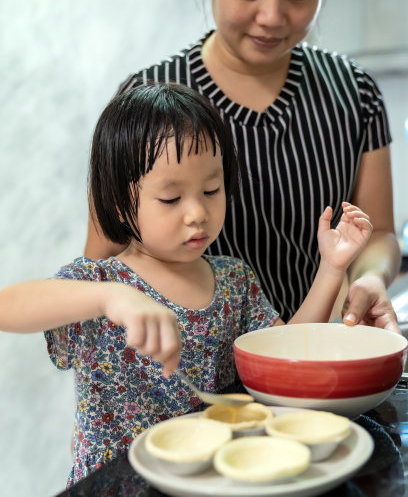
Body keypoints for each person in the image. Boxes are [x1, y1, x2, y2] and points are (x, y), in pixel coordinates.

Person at [0, 81, 372, 485]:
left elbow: (284, 356)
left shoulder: (233, 281)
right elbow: (9, 306)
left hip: (210, 480)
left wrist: (332, 268)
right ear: (119, 204)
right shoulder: (100, 281)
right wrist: (110, 297)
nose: (197, 213)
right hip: (116, 486)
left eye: (211, 190)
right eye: (171, 199)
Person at [84, 0, 401, 330]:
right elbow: (103, 257)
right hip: (188, 380)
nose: (272, 16)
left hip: (318, 356)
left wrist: (369, 277)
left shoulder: (354, 91)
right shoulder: (151, 94)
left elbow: (381, 231)